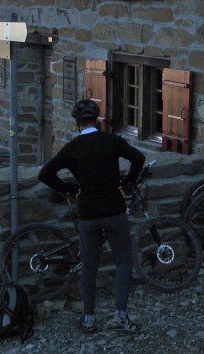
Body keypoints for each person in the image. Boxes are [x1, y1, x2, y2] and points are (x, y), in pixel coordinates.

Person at [38, 98, 146, 332]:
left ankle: (89, 319)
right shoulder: (111, 141)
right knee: (124, 262)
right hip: (114, 209)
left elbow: (45, 174)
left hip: (87, 211)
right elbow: (139, 159)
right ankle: (120, 315)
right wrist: (128, 183)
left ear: (77, 123)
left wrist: (70, 189)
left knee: (89, 266)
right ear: (97, 120)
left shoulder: (72, 148)